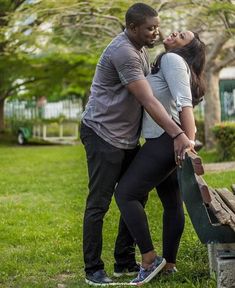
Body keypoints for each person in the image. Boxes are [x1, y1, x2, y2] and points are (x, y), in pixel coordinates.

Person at [80, 3, 192, 285]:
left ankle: (123, 261)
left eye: (157, 26)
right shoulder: (125, 53)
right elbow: (148, 100)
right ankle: (93, 270)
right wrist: (178, 134)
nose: (157, 32)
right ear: (132, 28)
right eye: (150, 28)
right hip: (102, 133)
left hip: (126, 137)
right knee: (99, 203)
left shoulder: (141, 49)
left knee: (134, 195)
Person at [114, 30, 206, 285]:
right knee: (171, 202)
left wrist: (187, 140)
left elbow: (184, 102)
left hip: (166, 140)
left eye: (183, 36)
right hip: (169, 140)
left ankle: (149, 259)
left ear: (187, 48)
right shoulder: (169, 62)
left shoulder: (172, 60)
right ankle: (169, 264)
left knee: (126, 194)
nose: (175, 33)